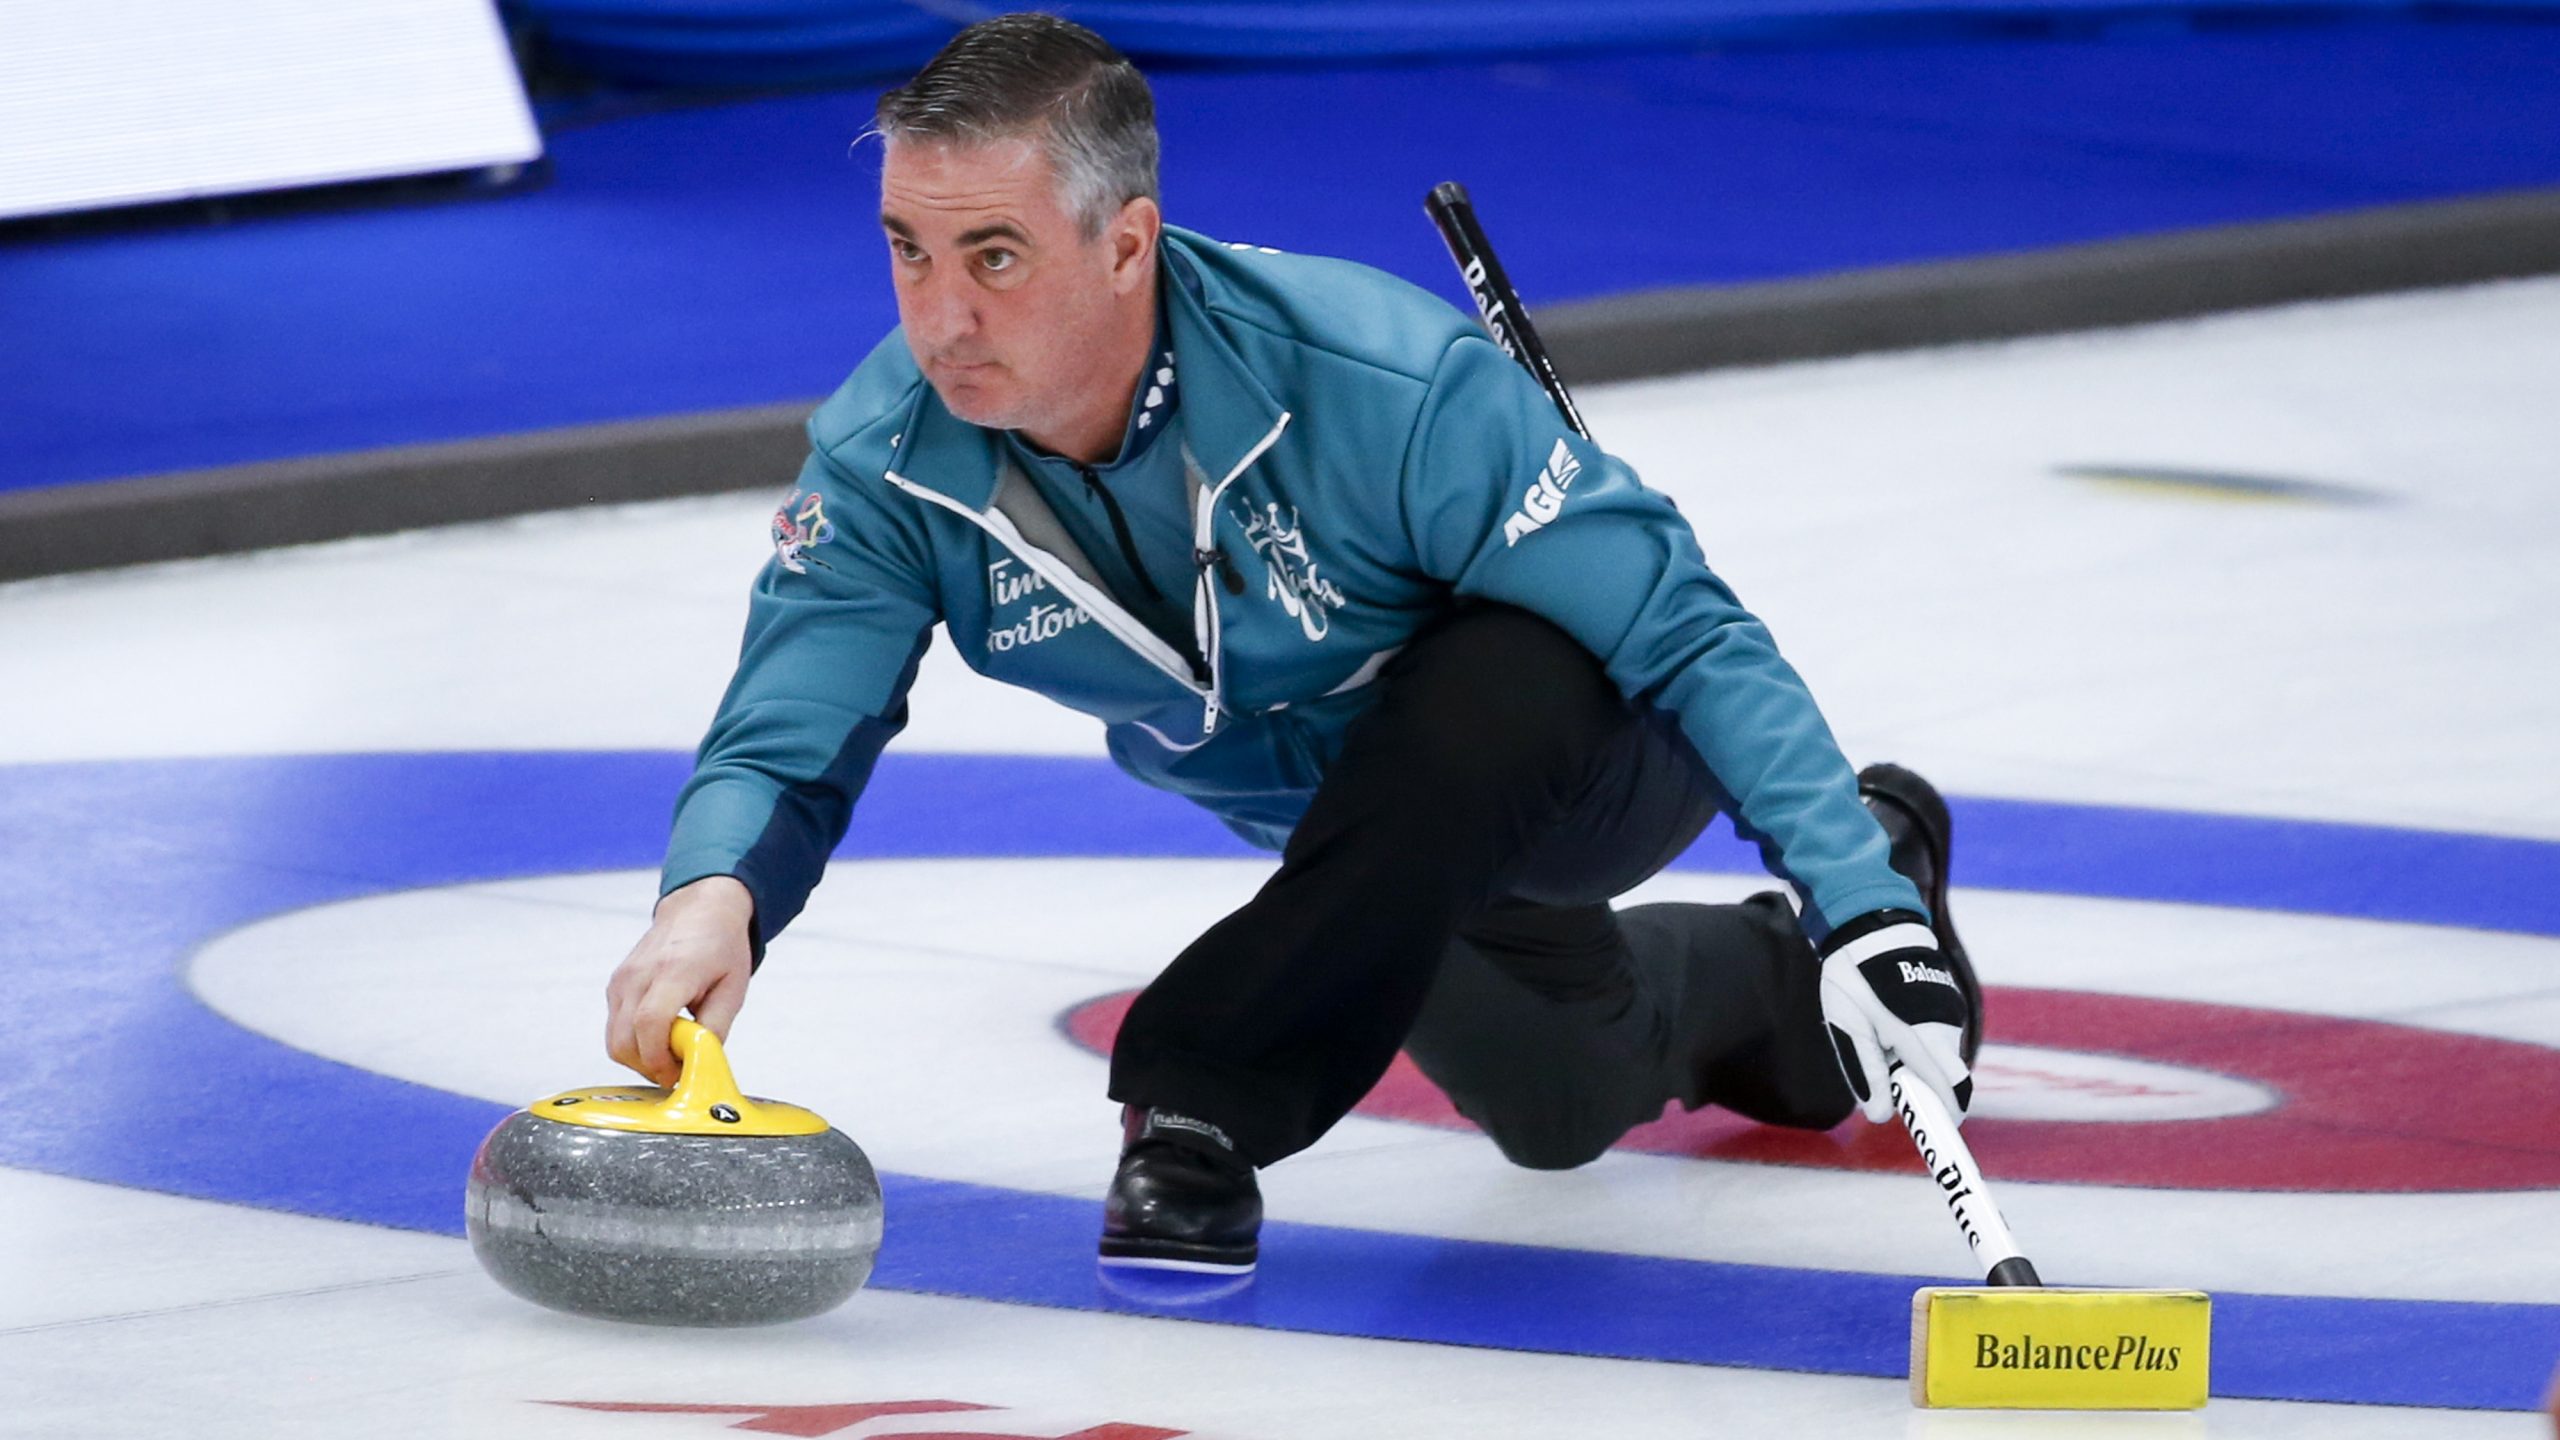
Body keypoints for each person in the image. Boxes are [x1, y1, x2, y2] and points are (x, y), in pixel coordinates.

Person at [604, 12, 1984, 1277]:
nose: (940, 316)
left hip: (1590, 750)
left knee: (1493, 680)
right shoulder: (889, 461)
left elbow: (1682, 629)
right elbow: (795, 721)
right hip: (1357, 850)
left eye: (996, 257)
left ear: (1128, 243)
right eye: (909, 248)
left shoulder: (1376, 379)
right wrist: (712, 894)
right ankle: (1799, 961)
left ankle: (1204, 1103)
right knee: (1557, 1101)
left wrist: (1855, 901)